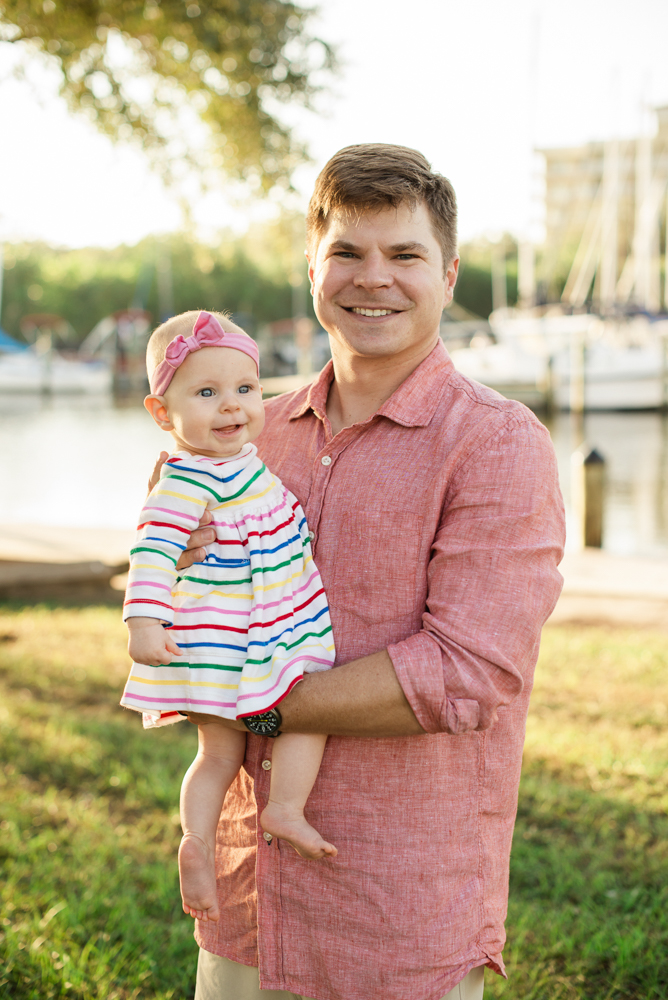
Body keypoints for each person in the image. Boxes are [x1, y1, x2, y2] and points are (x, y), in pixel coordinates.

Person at [158, 144, 565, 1000]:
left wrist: (255, 702)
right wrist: (173, 561)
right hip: (247, 903)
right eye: (347, 251)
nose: (372, 277)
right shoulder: (243, 434)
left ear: (449, 275)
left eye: (404, 254)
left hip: (397, 913)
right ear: (313, 267)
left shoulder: (497, 444)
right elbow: (170, 592)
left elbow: (468, 672)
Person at [120, 309, 337, 924]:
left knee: (250, 739)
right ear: (164, 415)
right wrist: (144, 622)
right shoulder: (185, 482)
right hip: (236, 638)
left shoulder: (241, 461)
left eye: (245, 390)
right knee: (273, 726)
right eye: (206, 393)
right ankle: (241, 824)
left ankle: (239, 823)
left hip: (252, 632)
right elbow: (153, 550)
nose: (231, 407)